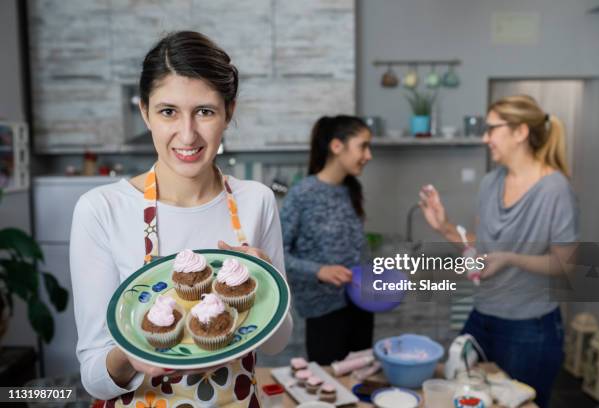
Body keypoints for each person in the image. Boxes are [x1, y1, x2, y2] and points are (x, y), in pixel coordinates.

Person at [69, 31, 292, 407]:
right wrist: (130, 357)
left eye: (204, 111)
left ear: (228, 112)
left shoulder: (257, 201)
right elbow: (94, 374)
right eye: (168, 111)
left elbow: (277, 342)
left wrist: (267, 285)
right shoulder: (101, 209)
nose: (187, 135)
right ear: (145, 112)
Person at [419, 95, 577, 407]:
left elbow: (565, 263)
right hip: (481, 317)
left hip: (529, 329)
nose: (485, 137)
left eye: (492, 129)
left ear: (520, 132)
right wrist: (445, 226)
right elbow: (483, 247)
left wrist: (509, 259)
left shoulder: (555, 189)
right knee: (463, 395)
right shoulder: (490, 182)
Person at [280, 115, 373, 365]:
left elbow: (356, 248)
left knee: (361, 379)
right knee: (330, 389)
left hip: (361, 305)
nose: (369, 155)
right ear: (337, 146)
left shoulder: (351, 190)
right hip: (324, 312)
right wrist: (319, 270)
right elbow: (276, 255)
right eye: (363, 146)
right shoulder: (302, 194)